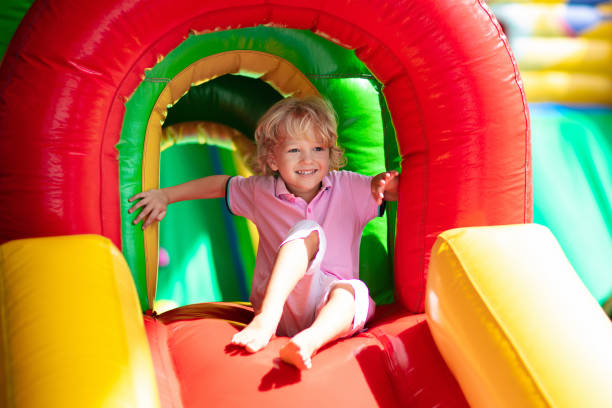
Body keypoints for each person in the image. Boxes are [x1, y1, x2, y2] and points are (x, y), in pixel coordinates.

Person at [128, 96, 399, 370]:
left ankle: (309, 342)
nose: (308, 159)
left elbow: (394, 190)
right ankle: (266, 321)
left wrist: (387, 183)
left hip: (329, 306)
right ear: (273, 159)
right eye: (294, 150)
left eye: (318, 148)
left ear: (331, 154)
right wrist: (165, 195)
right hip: (282, 304)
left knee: (354, 291)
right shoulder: (261, 192)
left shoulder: (349, 187)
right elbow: (221, 186)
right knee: (309, 231)